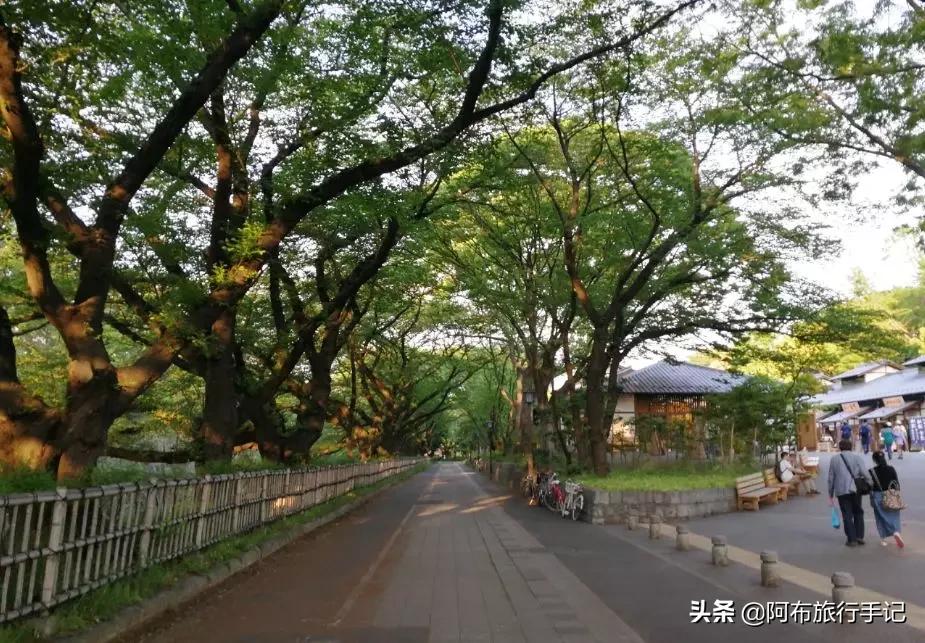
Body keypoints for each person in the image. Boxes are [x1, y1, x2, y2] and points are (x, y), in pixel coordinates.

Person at [828, 438, 871, 547]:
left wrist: (830, 492)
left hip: (841, 490)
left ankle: (851, 539)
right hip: (856, 489)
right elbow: (865, 473)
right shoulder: (857, 458)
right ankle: (859, 536)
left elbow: (831, 477)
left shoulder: (834, 459)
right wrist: (870, 484)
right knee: (858, 512)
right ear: (851, 447)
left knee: (847, 514)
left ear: (840, 447)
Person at [868, 450, 905, 548]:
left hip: (878, 496)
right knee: (894, 515)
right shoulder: (891, 469)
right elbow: (896, 483)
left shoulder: (872, 471)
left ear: (874, 460)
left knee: (881, 517)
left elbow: (869, 486)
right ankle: (896, 532)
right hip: (891, 494)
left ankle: (883, 539)